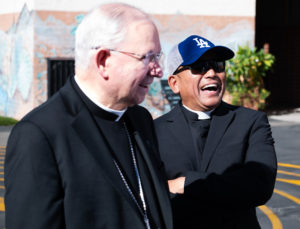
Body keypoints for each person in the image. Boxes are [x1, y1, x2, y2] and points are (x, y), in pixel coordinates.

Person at [5, 3, 173, 229]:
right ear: (103, 60)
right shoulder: (39, 135)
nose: (158, 70)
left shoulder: (140, 119)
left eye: (157, 56)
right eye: (147, 57)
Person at [154, 35, 277, 229]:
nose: (212, 72)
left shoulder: (250, 122)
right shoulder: (153, 131)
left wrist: (185, 184)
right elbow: (147, 193)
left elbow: (259, 186)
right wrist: (228, 185)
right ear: (174, 83)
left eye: (218, 65)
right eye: (199, 66)